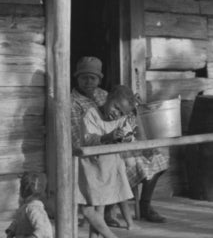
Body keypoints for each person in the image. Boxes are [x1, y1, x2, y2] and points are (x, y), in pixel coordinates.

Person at [71, 56, 168, 225]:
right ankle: (109, 209)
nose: (88, 82)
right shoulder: (72, 102)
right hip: (92, 154)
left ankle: (145, 206)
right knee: (126, 166)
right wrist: (108, 139)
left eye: (92, 78)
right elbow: (76, 137)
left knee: (157, 158)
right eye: (83, 77)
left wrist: (132, 112)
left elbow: (123, 116)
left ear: (99, 79)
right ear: (76, 78)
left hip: (116, 146)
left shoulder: (104, 95)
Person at [75, 85, 134, 238]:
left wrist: (127, 137)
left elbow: (129, 136)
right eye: (116, 107)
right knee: (87, 209)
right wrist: (107, 137)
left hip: (108, 166)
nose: (117, 113)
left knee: (96, 209)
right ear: (108, 99)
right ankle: (107, 237)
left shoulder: (122, 119)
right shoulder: (91, 114)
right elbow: (87, 139)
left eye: (122, 112)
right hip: (92, 167)